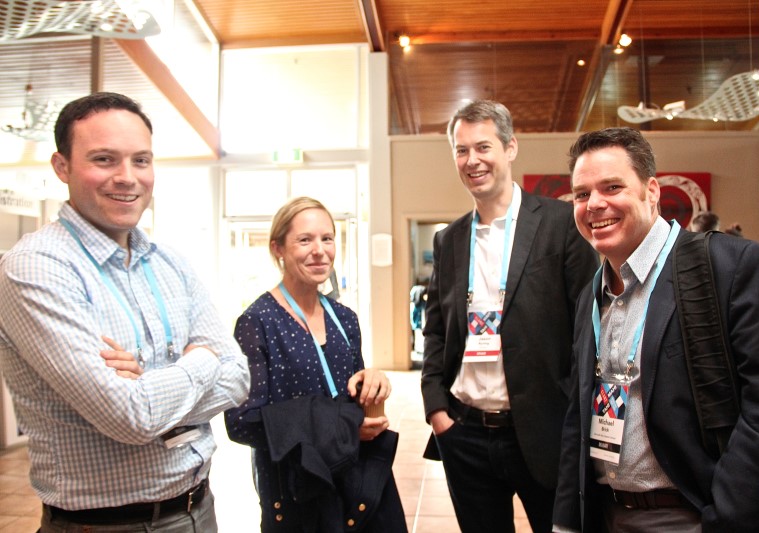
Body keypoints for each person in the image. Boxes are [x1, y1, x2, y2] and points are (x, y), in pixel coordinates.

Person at [0, 92, 251, 532]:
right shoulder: (36, 267)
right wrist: (202, 359)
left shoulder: (170, 263)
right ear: (62, 167)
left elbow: (239, 378)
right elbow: (131, 417)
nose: (127, 178)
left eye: (141, 160)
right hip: (103, 525)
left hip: (198, 509)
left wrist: (149, 382)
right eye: (104, 159)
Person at [553, 127, 759, 532]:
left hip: (693, 516)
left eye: (612, 187)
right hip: (608, 514)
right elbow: (577, 416)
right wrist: (567, 521)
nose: (594, 204)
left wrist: (728, 520)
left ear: (652, 191)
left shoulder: (732, 268)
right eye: (582, 194)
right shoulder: (590, 297)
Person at [420, 99, 598, 532]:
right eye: (462, 150)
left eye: (483, 147)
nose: (472, 160)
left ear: (510, 148)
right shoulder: (450, 239)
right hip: (464, 433)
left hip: (542, 430)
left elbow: (588, 328)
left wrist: (573, 417)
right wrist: (437, 410)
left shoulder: (562, 223)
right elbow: (436, 330)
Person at [224, 197, 406, 532]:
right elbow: (242, 422)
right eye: (305, 240)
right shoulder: (257, 323)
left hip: (352, 482)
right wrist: (339, 429)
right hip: (296, 491)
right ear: (278, 248)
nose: (320, 251)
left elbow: (351, 395)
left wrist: (372, 381)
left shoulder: (345, 319)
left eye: (327, 238)